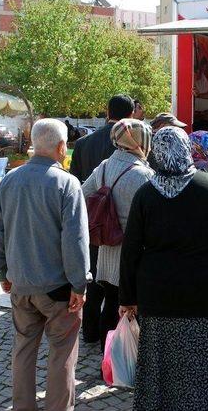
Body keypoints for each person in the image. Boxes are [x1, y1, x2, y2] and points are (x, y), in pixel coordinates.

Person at [119, 126, 208, 411]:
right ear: (187, 150)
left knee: (162, 367)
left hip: (159, 297)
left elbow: (130, 250)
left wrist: (127, 299)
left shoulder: (146, 194)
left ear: (156, 154)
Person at [0, 118, 91, 411]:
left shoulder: (9, 180)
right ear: (61, 147)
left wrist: (2, 272)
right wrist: (79, 284)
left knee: (23, 349)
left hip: (20, 282)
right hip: (57, 288)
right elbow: (76, 240)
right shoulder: (67, 184)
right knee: (62, 352)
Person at [81, 118, 153, 351]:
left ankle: (107, 359)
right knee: (134, 308)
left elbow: (83, 195)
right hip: (133, 252)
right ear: (139, 141)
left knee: (110, 303)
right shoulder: (143, 174)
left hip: (106, 247)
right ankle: (129, 362)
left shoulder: (104, 166)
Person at [69, 94, 134, 344]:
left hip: (91, 221)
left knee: (93, 277)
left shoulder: (84, 143)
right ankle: (109, 335)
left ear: (107, 111)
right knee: (114, 284)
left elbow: (75, 184)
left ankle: (90, 331)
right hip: (119, 223)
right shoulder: (130, 144)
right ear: (131, 115)